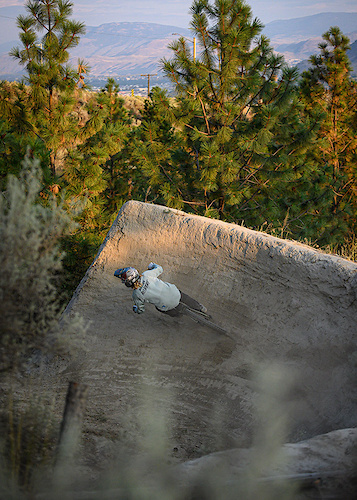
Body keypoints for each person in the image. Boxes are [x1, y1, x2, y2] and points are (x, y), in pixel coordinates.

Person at [114, 262, 207, 317]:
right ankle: (200, 307)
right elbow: (160, 269)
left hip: (166, 305)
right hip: (174, 293)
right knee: (183, 296)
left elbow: (141, 310)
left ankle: (180, 316)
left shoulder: (136, 294)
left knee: (159, 308)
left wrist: (136, 309)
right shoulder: (147, 274)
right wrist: (152, 265)